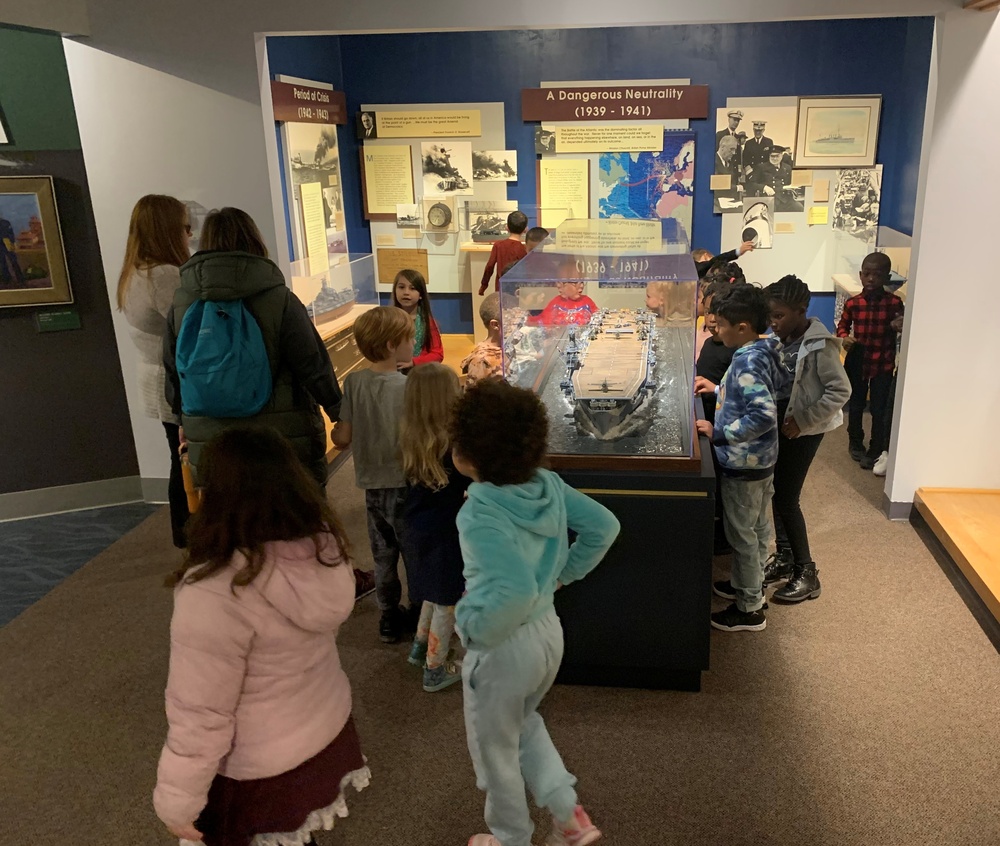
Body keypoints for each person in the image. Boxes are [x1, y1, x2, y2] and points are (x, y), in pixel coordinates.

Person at [153, 427, 369, 846]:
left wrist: (178, 803)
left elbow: (200, 715)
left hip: (258, 772)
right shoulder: (322, 550)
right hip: (324, 734)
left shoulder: (214, 590)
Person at [450, 379, 620, 846]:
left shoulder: (479, 512)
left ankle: (510, 839)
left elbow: (513, 590)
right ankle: (568, 815)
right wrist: (563, 576)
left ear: (470, 455)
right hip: (548, 634)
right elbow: (605, 527)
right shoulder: (548, 485)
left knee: (496, 752)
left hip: (504, 645)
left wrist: (472, 629)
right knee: (524, 724)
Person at [164, 207, 343, 488]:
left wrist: (181, 421)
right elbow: (312, 364)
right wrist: (338, 412)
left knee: (232, 522)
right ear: (254, 241)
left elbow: (173, 370)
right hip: (280, 439)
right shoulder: (278, 299)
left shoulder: (182, 304)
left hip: (213, 441)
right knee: (296, 519)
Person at [695, 284, 785, 632]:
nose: (716, 330)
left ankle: (749, 608)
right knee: (759, 529)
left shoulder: (745, 360)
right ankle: (751, 586)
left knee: (742, 536)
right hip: (762, 462)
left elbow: (762, 415)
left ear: (743, 327)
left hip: (743, 463)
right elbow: (751, 393)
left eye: (720, 325)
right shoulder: (764, 348)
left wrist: (719, 433)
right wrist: (718, 388)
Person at [763, 276, 851, 602]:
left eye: (779, 316)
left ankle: (806, 571)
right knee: (776, 491)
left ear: (801, 311)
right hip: (782, 425)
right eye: (769, 315)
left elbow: (840, 391)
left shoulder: (820, 345)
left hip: (804, 429)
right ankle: (784, 557)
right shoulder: (782, 339)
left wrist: (802, 420)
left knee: (787, 498)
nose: (772, 323)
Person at [332, 306, 415, 643]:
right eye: (410, 338)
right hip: (404, 483)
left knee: (382, 554)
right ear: (394, 344)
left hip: (371, 485)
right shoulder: (407, 386)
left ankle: (388, 616)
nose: (414, 343)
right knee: (411, 550)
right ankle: (421, 609)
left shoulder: (354, 382)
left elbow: (342, 436)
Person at [117, 194, 192, 548]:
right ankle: (191, 534)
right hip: (173, 381)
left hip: (156, 377)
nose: (189, 235)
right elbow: (189, 328)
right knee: (186, 460)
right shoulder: (164, 275)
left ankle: (186, 534)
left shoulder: (136, 271)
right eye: (184, 227)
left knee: (178, 458)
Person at [399, 364, 470, 692]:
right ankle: (435, 668)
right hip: (447, 533)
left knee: (432, 593)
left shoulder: (411, 437)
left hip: (417, 527)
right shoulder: (454, 446)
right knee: (448, 600)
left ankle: (419, 646)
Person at [836, 252, 904, 470]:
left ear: (886, 277)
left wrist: (899, 324)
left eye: (878, 274)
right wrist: (845, 338)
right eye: (867, 274)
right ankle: (855, 442)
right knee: (855, 404)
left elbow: (903, 325)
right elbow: (842, 326)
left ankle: (876, 447)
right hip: (858, 359)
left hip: (883, 361)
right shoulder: (853, 303)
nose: (871, 279)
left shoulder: (894, 303)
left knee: (879, 407)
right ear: (860, 275)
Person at [696, 278, 743, 555]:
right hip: (711, 420)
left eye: (718, 314)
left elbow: (735, 394)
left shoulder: (734, 350)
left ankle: (727, 538)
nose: (712, 319)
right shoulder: (712, 344)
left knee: (729, 489)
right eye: (709, 311)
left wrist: (714, 388)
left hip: (724, 428)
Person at [392, 268, 444, 367]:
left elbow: (438, 354)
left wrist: (413, 362)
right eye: (401, 287)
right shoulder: (388, 321)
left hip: (420, 372)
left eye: (412, 288)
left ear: (421, 295)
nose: (406, 292)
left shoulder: (428, 323)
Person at [478, 211, 528, 295]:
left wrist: (484, 285)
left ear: (507, 227)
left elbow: (490, 266)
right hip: (518, 290)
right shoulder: (524, 249)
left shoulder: (498, 245)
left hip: (501, 288)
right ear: (525, 229)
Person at [462, 292, 504, 389]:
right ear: (495, 325)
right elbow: (472, 397)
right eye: (511, 321)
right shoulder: (481, 361)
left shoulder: (509, 345)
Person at [750, 146, 801, 212]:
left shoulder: (787, 167)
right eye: (772, 156)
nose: (775, 158)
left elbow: (791, 182)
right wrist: (764, 187)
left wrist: (792, 187)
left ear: (781, 156)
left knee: (799, 208)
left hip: (785, 198)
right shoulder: (761, 167)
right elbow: (751, 183)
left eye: (777, 156)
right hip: (769, 199)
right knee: (771, 212)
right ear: (769, 156)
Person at [531, 277, 599, 326]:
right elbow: (542, 322)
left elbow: (599, 318)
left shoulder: (587, 301)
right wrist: (524, 317)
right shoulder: (555, 303)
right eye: (575, 282)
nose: (581, 286)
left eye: (582, 282)